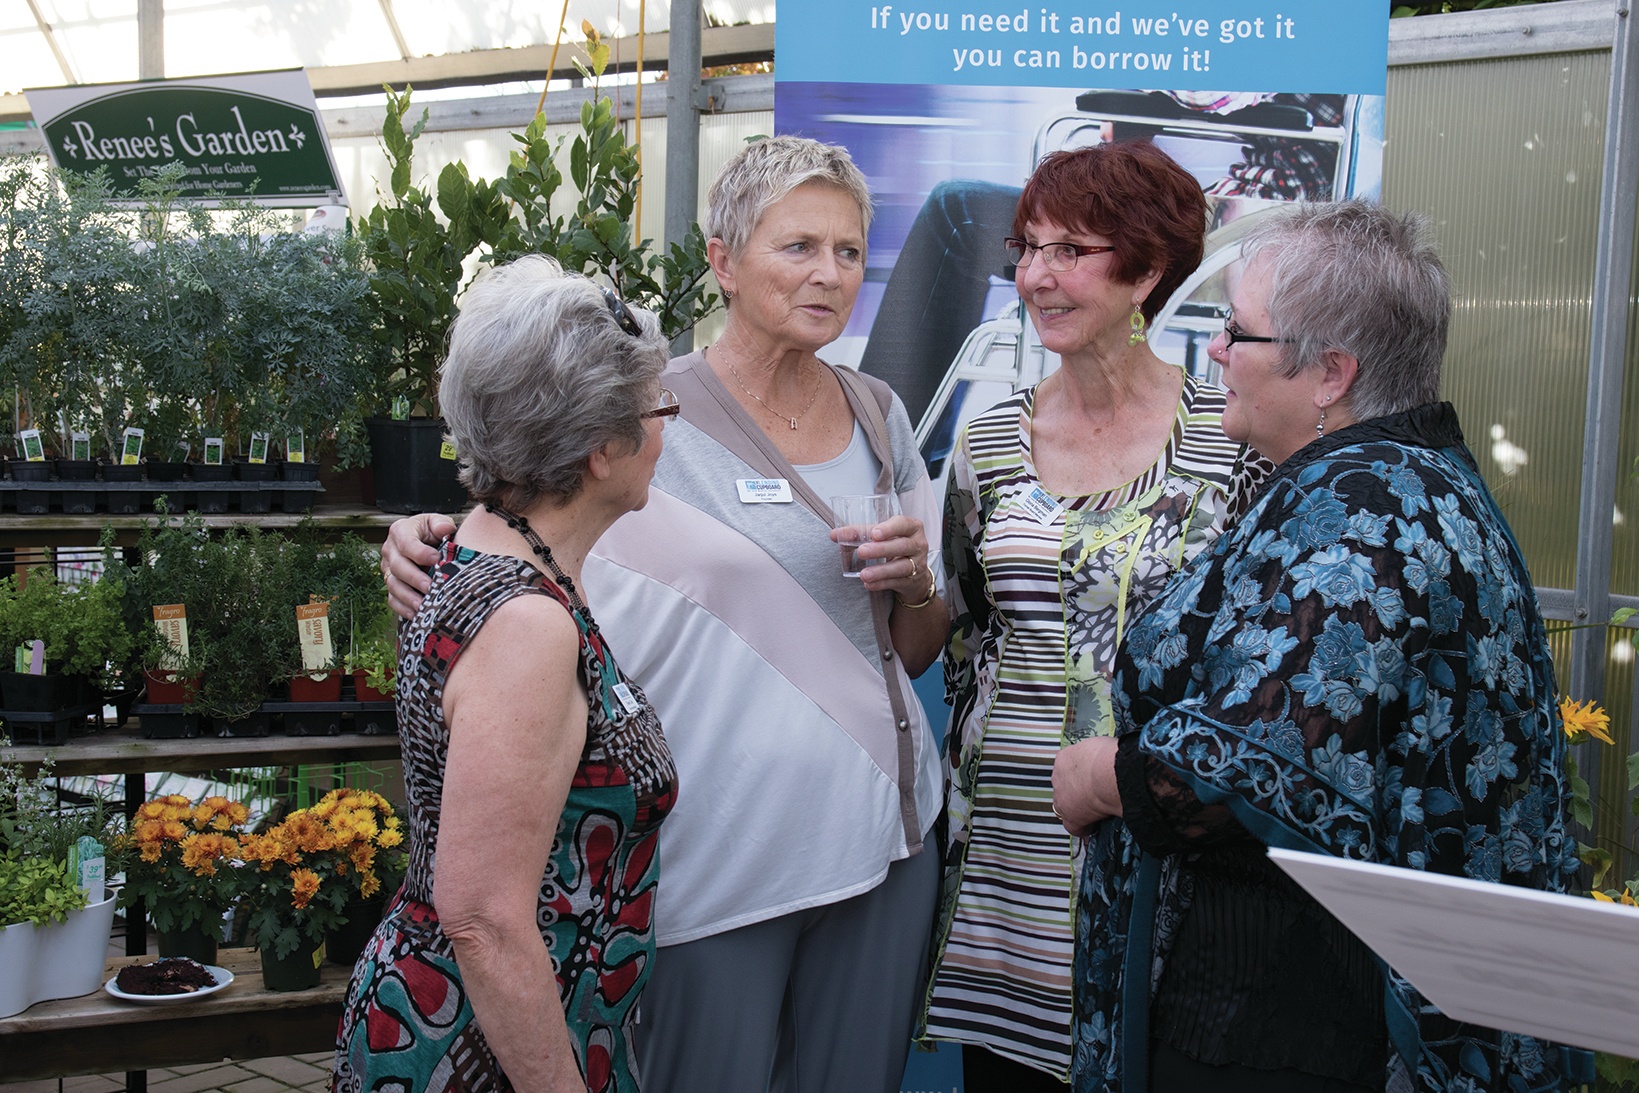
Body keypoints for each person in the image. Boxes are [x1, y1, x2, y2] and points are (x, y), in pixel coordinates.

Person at [380, 136, 948, 1093]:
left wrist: (919, 583)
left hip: (878, 836)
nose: (830, 274)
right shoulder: (637, 409)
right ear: (722, 261)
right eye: (798, 246)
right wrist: (413, 539)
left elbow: (913, 649)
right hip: (715, 854)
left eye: (850, 250)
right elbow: (510, 531)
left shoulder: (879, 412)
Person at [1052, 200, 1592, 1093]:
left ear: (1330, 373)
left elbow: (1233, 774)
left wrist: (1095, 774)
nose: (1215, 350)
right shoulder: (1415, 478)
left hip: (1279, 1016)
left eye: (1238, 330)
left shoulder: (1359, 511)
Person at [928, 141, 1267, 1088]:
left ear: (1149, 268)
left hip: (1155, 837)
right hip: (1008, 849)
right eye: (1026, 247)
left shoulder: (1227, 437)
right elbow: (958, 624)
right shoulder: (988, 440)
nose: (1035, 275)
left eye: (1070, 249)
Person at [332, 256, 678, 1093]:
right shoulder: (526, 621)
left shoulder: (485, 548)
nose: (667, 429)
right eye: (657, 409)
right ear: (601, 449)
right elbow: (484, 919)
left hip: (486, 1021)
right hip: (485, 1050)